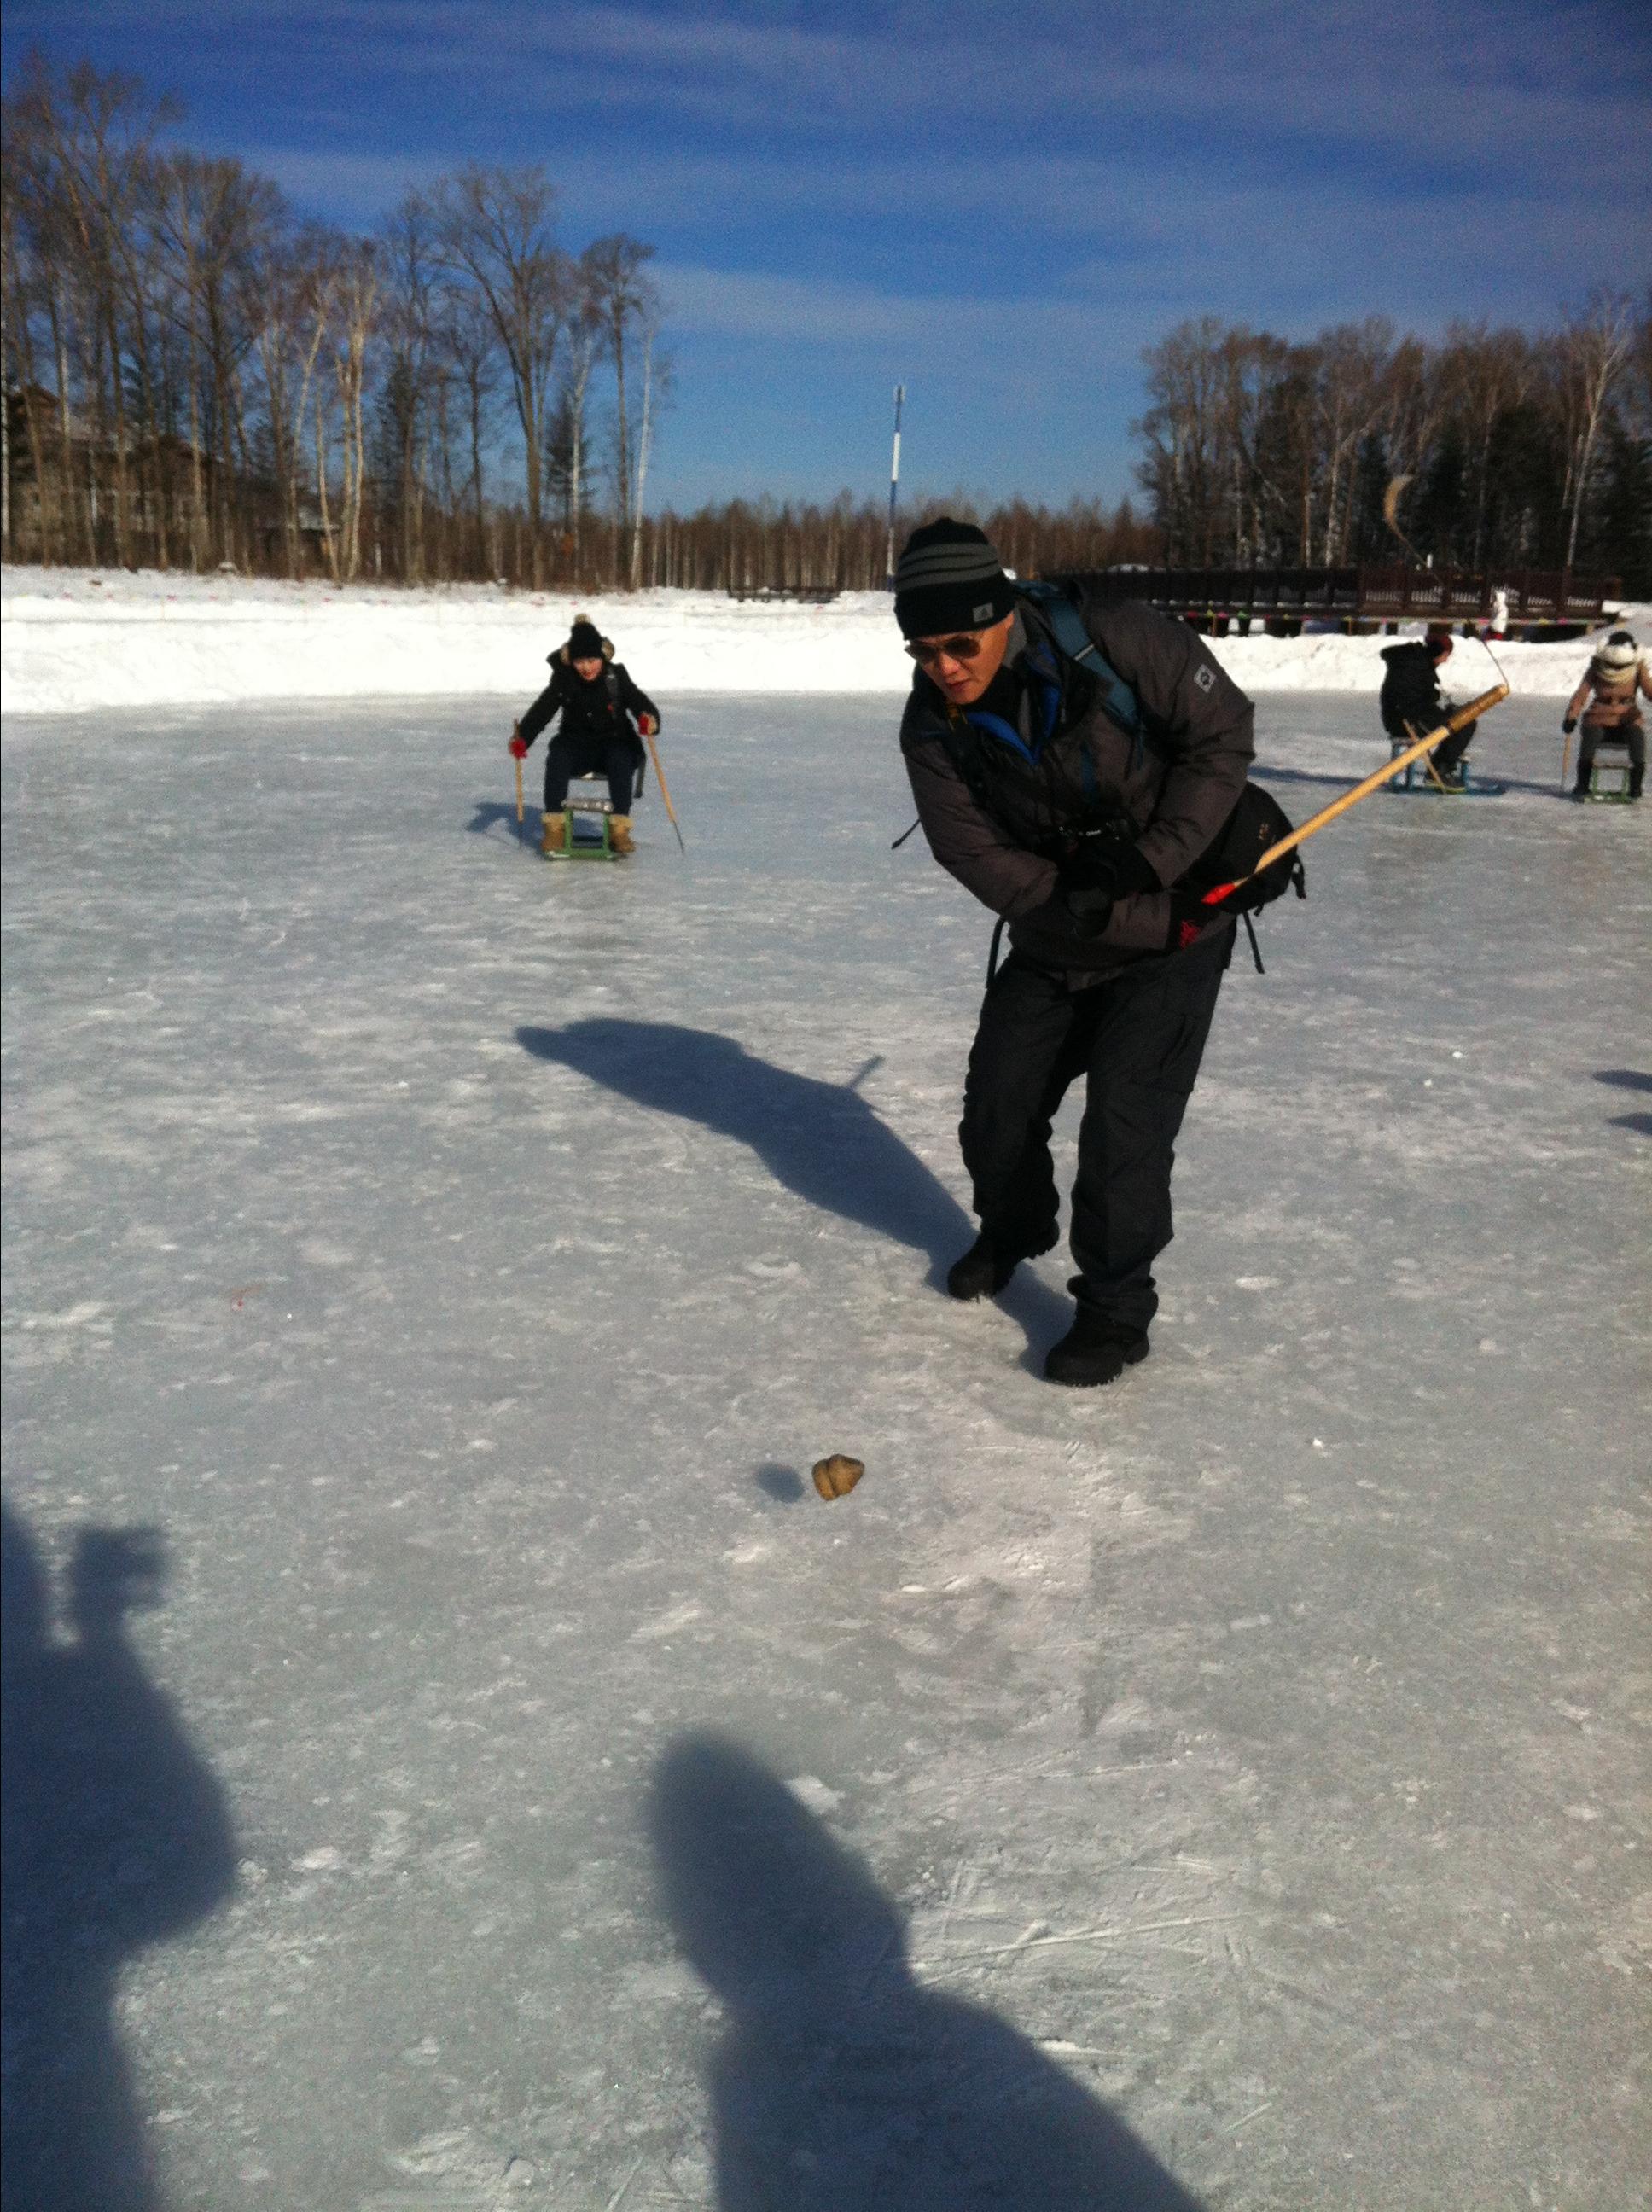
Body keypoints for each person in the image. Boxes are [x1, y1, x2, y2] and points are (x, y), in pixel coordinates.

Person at [895, 518, 1255, 1388]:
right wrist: (1075, 903)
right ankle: (1014, 1228)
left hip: (1174, 926)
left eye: (959, 641)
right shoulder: (932, 727)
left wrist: (1148, 863)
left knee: (1123, 1131)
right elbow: (969, 852)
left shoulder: (1114, 637)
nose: (944, 664)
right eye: (920, 646)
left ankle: (1114, 1310)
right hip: (1059, 933)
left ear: (1001, 612)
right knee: (997, 1108)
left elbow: (1222, 733)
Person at [509, 616, 661, 855]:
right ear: (572, 660)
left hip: (614, 741)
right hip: (576, 744)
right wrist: (522, 738)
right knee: (558, 755)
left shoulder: (616, 676)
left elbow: (641, 704)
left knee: (620, 756)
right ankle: (555, 828)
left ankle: (619, 829)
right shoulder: (564, 679)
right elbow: (542, 711)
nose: (586, 667)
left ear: (601, 657)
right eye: (580, 661)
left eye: (591, 660)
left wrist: (649, 720)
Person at [1379, 624, 1475, 784]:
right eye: (1445, 655)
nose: (1445, 660)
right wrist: (1438, 704)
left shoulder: (1415, 662)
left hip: (1406, 717)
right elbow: (1410, 700)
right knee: (1464, 723)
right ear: (1436, 651)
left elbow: (1417, 696)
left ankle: (1440, 767)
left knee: (1460, 719)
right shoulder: (1414, 664)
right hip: (1406, 721)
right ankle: (1440, 770)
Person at [1563, 629, 1648, 800]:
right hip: (1598, 718)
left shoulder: (1638, 668)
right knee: (1590, 737)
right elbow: (1582, 693)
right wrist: (1571, 716)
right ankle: (1582, 784)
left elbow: (1649, 689)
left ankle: (1635, 786)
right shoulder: (1597, 667)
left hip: (1627, 719)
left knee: (1637, 737)